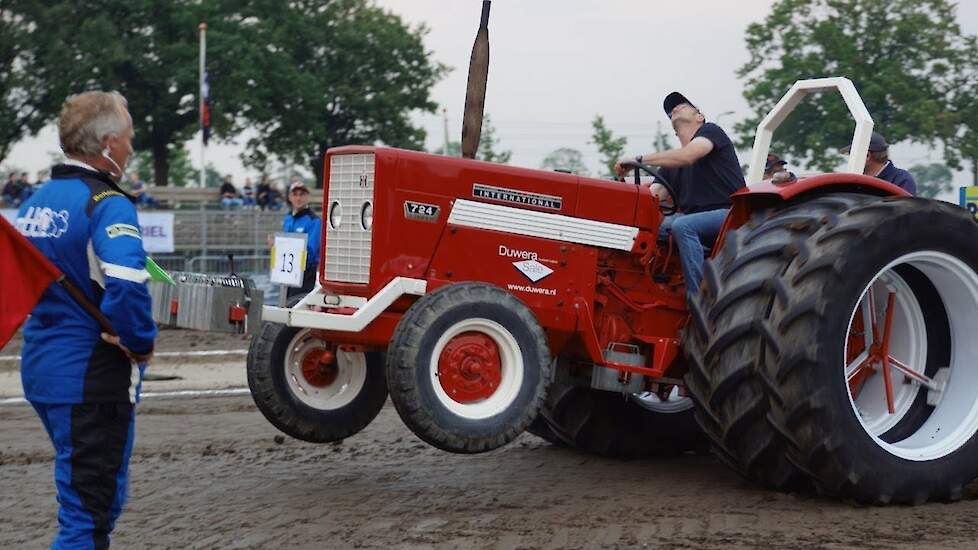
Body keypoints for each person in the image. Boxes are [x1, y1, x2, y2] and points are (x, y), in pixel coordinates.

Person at [14, 90, 157, 548]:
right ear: (110, 144)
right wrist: (141, 340)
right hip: (90, 376)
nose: (132, 148)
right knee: (88, 516)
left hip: (41, 367)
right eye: (130, 138)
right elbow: (128, 284)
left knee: (88, 500)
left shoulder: (35, 201)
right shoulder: (108, 203)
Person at [615, 91, 746, 298]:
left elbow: (689, 155)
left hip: (729, 215)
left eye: (683, 105)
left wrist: (638, 160)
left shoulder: (711, 132)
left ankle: (699, 300)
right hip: (694, 219)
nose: (675, 108)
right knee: (646, 230)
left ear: (699, 116)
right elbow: (653, 196)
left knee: (683, 226)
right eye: (671, 110)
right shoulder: (672, 165)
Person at [841, 131, 917, 195]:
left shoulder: (901, 179)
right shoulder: (852, 181)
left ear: (867, 156)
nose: (850, 159)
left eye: (852, 154)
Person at [283, 179, 321, 297]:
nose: (298, 198)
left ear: (307, 197)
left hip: (305, 273)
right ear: (290, 197)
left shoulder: (314, 220)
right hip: (288, 273)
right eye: (295, 194)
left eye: (302, 194)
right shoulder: (288, 218)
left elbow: (311, 251)